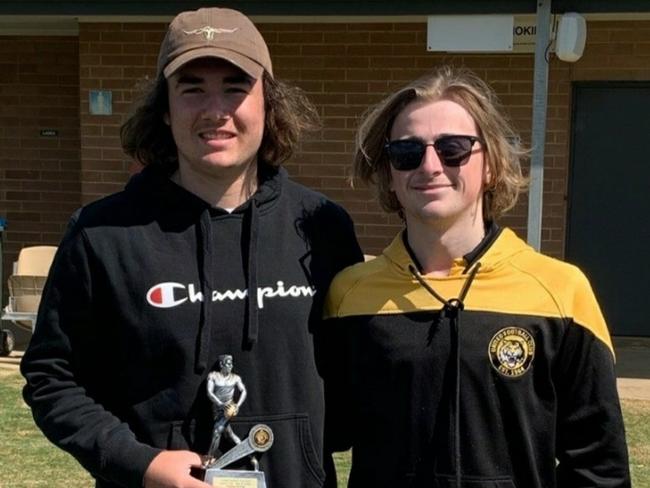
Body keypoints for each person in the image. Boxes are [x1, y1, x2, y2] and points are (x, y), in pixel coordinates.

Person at [21, 7, 362, 488]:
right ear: (164, 108)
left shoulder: (321, 227)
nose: (215, 110)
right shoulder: (103, 232)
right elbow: (51, 377)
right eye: (192, 88)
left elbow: (356, 376)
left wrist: (301, 444)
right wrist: (139, 462)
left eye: (235, 87)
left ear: (269, 102)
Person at [323, 66, 631, 488]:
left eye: (454, 148)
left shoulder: (561, 291)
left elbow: (599, 466)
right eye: (407, 152)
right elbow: (324, 432)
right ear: (390, 175)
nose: (430, 165)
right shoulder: (349, 295)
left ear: (491, 166)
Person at [205, 355, 246, 464]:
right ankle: (247, 452)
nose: (231, 366)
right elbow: (209, 392)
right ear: (221, 364)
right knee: (229, 434)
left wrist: (237, 405)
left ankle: (209, 458)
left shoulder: (235, 378)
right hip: (217, 408)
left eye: (231, 363)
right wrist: (219, 403)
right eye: (228, 363)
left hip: (229, 409)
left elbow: (243, 391)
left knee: (217, 431)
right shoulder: (213, 376)